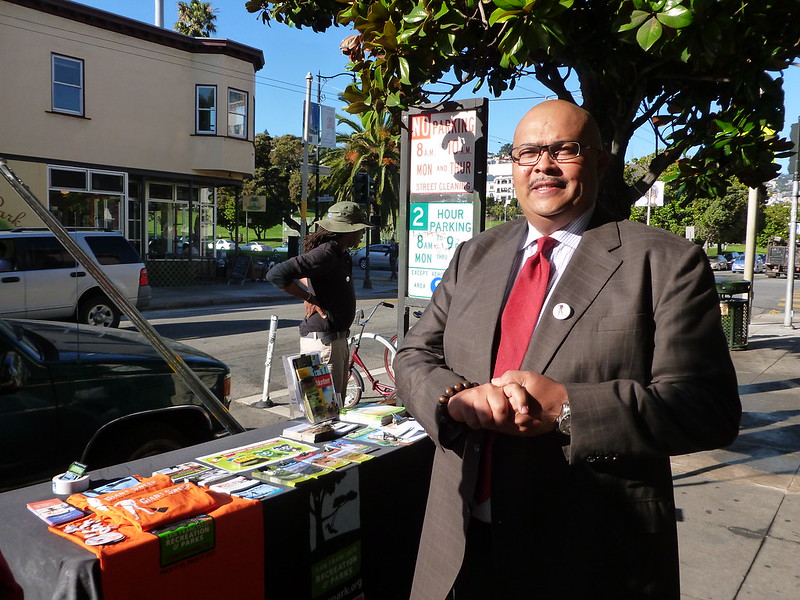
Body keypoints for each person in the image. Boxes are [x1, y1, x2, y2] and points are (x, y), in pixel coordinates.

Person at [394, 99, 741, 600]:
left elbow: (708, 408)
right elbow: (413, 356)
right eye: (527, 152)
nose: (543, 165)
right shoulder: (475, 254)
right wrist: (452, 398)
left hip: (589, 553)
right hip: (460, 540)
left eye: (564, 150)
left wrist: (567, 407)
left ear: (600, 161)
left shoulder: (665, 263)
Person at [267, 201, 372, 399]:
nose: (362, 234)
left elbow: (308, 274)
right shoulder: (325, 254)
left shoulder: (340, 255)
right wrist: (309, 297)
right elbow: (276, 274)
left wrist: (312, 291)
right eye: (360, 229)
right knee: (325, 408)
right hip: (324, 343)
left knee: (336, 405)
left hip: (336, 340)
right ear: (348, 231)